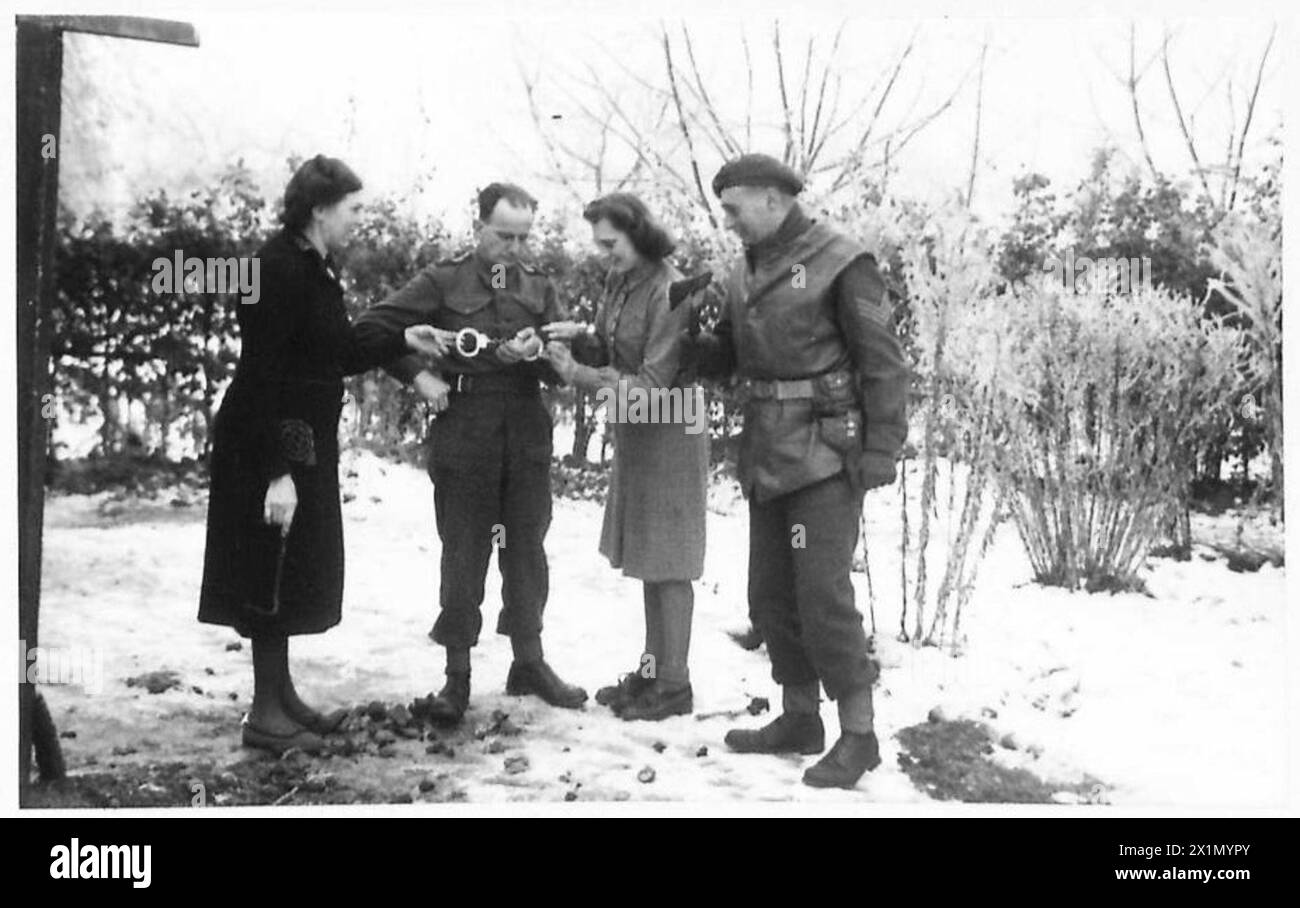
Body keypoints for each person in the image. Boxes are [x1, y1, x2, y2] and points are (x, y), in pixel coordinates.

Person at [198, 155, 448, 755]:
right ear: (319, 209)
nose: (360, 220)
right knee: (270, 568)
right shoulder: (278, 268)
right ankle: (264, 715)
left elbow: (331, 351)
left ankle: (281, 697)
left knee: (291, 566)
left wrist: (400, 337)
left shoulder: (312, 266)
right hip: (270, 439)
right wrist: (275, 472)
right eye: (354, 208)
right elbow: (263, 373)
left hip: (302, 438)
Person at [687, 153, 908, 788]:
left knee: (822, 595)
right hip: (766, 452)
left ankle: (860, 736)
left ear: (773, 200)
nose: (726, 221)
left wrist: (881, 449)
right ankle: (799, 717)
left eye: (733, 207)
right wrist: (686, 337)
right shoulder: (743, 269)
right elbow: (727, 356)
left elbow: (885, 363)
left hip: (825, 455)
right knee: (771, 592)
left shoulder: (842, 260)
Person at [351, 182, 587, 723]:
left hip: (524, 430)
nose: (514, 248)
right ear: (477, 224)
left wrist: (552, 355)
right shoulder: (442, 279)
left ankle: (529, 661)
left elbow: (560, 368)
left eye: (523, 238)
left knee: (527, 548)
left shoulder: (539, 285)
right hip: (466, 430)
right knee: (463, 551)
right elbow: (377, 327)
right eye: (503, 235)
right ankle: (456, 679)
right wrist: (417, 376)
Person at [541, 193, 708, 721]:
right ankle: (654, 670)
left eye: (611, 243)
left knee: (671, 560)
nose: (604, 253)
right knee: (648, 557)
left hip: (673, 426)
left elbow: (654, 385)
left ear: (639, 234)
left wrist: (578, 375)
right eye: (600, 245)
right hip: (638, 431)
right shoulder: (621, 280)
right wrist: (583, 339)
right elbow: (618, 349)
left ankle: (675, 684)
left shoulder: (672, 290)